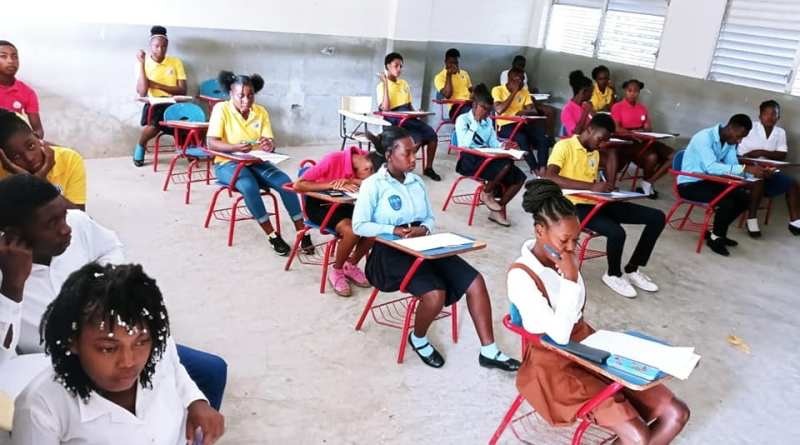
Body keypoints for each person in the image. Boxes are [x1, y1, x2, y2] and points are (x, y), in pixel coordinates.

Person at [0, 175, 228, 410]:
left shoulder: (78, 225)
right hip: (58, 367)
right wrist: (12, 288)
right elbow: (3, 361)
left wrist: (103, 284)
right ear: (13, 235)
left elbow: (110, 247)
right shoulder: (6, 279)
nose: (65, 228)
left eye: (63, 216)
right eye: (51, 224)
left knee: (211, 372)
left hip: (121, 342)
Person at [509, 179, 689, 445]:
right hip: (552, 365)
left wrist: (570, 276)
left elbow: (576, 315)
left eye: (576, 239)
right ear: (539, 230)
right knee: (638, 437)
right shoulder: (521, 276)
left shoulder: (564, 261)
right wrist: (571, 279)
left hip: (589, 347)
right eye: (564, 240)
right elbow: (559, 336)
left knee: (676, 413)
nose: (571, 248)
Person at [352, 126, 519, 371]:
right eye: (407, 153)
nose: (413, 159)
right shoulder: (373, 185)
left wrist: (424, 229)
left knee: (475, 282)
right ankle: (418, 338)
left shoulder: (416, 182)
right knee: (435, 294)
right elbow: (359, 225)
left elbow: (430, 218)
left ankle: (489, 351)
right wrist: (394, 230)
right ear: (389, 155)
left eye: (415, 152)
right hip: (389, 253)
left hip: (422, 245)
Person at [11, 263, 225, 445]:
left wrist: (196, 401)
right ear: (72, 341)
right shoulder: (41, 408)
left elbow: (174, 368)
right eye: (108, 348)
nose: (129, 362)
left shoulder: (156, 349)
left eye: (141, 342)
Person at [545, 114, 665, 299]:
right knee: (617, 232)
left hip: (597, 200)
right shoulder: (564, 146)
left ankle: (632, 269)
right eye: (600, 139)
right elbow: (550, 177)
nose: (602, 144)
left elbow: (608, 160)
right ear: (590, 129)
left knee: (657, 217)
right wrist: (591, 186)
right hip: (572, 207)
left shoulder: (594, 152)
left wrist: (608, 183)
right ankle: (613, 274)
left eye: (605, 141)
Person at [207, 70, 312, 256]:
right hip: (227, 163)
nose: (246, 100)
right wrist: (235, 147)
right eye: (240, 96)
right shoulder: (221, 109)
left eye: (250, 95)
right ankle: (272, 235)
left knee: (286, 183)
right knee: (249, 187)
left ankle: (301, 231)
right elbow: (211, 143)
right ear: (230, 93)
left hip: (256, 161)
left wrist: (268, 145)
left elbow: (268, 142)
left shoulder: (260, 111)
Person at [293, 146, 381, 296]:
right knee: (351, 231)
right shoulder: (333, 159)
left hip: (346, 203)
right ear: (367, 169)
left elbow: (375, 185)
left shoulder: (369, 158)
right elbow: (298, 185)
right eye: (367, 177)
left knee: (375, 228)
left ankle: (350, 265)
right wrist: (331, 184)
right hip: (320, 205)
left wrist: (352, 180)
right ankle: (337, 270)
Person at [678, 114, 770, 256]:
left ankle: (716, 233)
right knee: (727, 201)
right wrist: (745, 168)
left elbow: (732, 166)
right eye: (740, 136)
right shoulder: (704, 137)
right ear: (732, 127)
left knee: (744, 198)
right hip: (690, 184)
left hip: (708, 181)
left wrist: (756, 173)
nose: (740, 141)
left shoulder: (729, 142)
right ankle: (716, 238)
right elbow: (711, 167)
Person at [454, 83, 526, 227]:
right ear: (475, 105)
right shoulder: (463, 119)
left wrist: (503, 146)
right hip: (469, 159)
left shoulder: (487, 121)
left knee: (519, 177)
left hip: (487, 157)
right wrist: (475, 123)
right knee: (505, 165)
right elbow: (463, 145)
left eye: (489, 110)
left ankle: (497, 210)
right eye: (484, 109)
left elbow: (493, 142)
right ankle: (486, 193)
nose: (487, 113)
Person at [0, 110, 86, 211]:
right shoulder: (3, 174)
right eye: (16, 156)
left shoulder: (69, 159)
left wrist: (38, 182)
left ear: (37, 137)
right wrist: (28, 182)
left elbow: (79, 215)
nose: (29, 158)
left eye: (31, 146)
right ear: (5, 160)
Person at [737, 100, 800, 236]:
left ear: (778, 117)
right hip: (746, 169)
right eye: (766, 114)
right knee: (759, 179)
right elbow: (739, 155)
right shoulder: (750, 128)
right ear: (760, 116)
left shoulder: (780, 132)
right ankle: (751, 219)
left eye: (774, 114)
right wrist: (755, 161)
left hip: (769, 170)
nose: (770, 117)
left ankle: (795, 222)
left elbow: (782, 154)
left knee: (792, 184)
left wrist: (760, 152)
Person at [377, 52, 441, 181]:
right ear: (387, 66)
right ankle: (400, 169)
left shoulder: (404, 83)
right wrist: (385, 84)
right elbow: (386, 108)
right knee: (415, 140)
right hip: (393, 120)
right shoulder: (381, 86)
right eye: (396, 66)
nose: (399, 69)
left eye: (401, 66)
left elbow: (409, 105)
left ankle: (428, 168)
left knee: (432, 135)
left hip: (409, 118)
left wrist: (417, 112)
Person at [133, 26, 187, 167]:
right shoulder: (143, 63)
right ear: (150, 46)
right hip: (154, 104)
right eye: (156, 46)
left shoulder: (176, 62)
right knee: (157, 123)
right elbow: (142, 92)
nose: (160, 50)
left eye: (164, 46)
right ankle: (141, 145)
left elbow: (182, 90)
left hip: (174, 102)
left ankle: (187, 150)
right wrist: (141, 64)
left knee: (186, 121)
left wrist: (156, 85)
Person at [611, 79, 674, 198]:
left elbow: (648, 127)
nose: (632, 94)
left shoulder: (642, 108)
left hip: (644, 139)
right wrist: (633, 133)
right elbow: (617, 128)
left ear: (639, 92)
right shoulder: (617, 107)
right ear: (625, 91)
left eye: (636, 91)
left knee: (674, 156)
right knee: (652, 157)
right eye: (629, 91)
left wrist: (645, 129)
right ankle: (647, 185)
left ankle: (649, 181)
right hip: (628, 141)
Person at [492, 68, 552, 175]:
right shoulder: (497, 90)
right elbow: (499, 110)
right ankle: (534, 169)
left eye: (523, 79)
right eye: (519, 79)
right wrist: (514, 92)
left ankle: (543, 168)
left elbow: (533, 110)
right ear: (510, 79)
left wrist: (521, 112)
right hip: (505, 125)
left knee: (543, 136)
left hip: (521, 123)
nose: (522, 82)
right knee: (522, 138)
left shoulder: (524, 92)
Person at [0, 40, 43, 139]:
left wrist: (34, 138)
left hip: (13, 141)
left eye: (15, 57)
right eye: (3, 56)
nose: (11, 61)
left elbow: (38, 130)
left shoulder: (27, 92)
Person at [433, 48, 473, 120]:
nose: (454, 65)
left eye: (456, 63)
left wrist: (477, 91)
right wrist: (449, 75)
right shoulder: (439, 77)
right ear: (446, 62)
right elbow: (447, 95)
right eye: (451, 63)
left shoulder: (464, 73)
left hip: (470, 103)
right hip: (456, 108)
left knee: (487, 111)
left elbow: (470, 90)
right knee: (472, 114)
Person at [561, 70, 594, 137]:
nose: (592, 95)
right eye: (591, 92)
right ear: (583, 92)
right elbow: (575, 135)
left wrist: (593, 114)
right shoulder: (567, 110)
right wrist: (586, 112)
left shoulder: (585, 105)